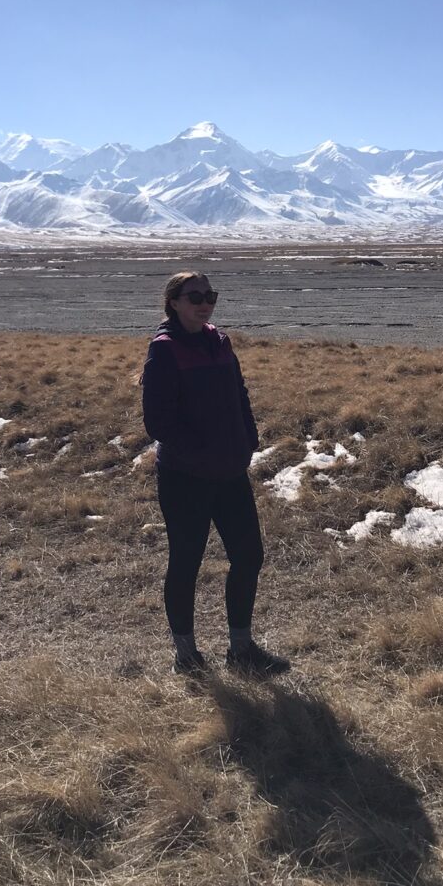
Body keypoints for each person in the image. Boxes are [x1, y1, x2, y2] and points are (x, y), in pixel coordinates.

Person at [140, 270, 291, 677]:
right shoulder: (165, 349)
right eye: (194, 296)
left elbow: (238, 392)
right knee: (186, 560)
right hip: (185, 477)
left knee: (249, 555)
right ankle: (186, 656)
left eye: (210, 295)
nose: (204, 302)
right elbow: (158, 422)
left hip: (230, 472)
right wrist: (203, 450)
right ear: (173, 302)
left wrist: (248, 437)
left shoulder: (219, 341)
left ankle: (241, 649)